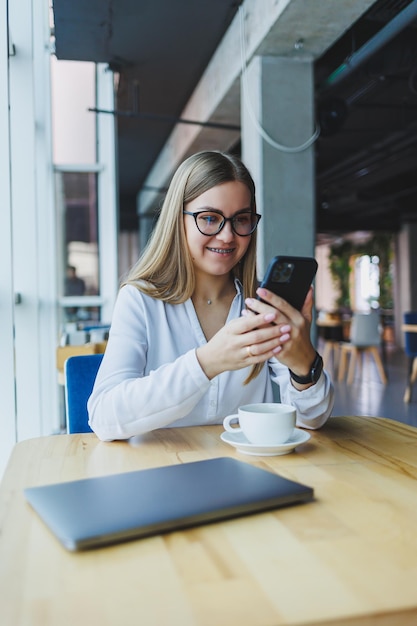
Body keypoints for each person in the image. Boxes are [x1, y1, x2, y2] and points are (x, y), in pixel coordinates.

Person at [88, 151, 334, 441]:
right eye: (209, 218)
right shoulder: (140, 300)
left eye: (240, 219)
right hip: (160, 473)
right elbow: (104, 417)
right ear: (177, 221)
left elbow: (312, 420)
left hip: (250, 474)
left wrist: (304, 366)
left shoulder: (260, 303)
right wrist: (207, 362)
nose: (228, 235)